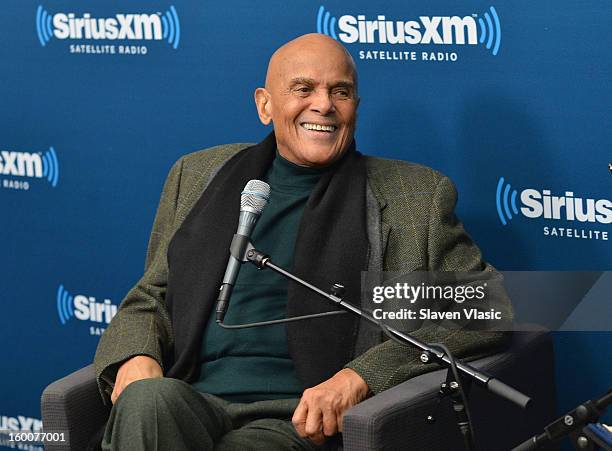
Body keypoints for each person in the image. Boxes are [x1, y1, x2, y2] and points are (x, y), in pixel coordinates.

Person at [94, 33, 508, 450]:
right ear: (264, 104)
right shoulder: (198, 175)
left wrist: (361, 376)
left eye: (340, 92)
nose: (324, 105)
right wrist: (136, 355)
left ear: (355, 109)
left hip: (296, 420)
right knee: (147, 399)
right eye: (303, 89)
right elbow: (151, 295)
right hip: (193, 396)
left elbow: (492, 309)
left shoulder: (415, 198)